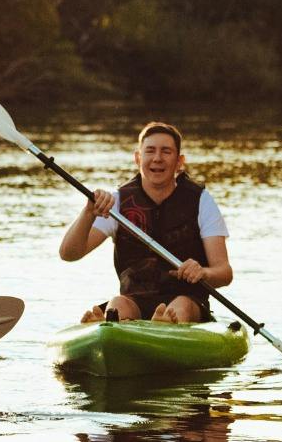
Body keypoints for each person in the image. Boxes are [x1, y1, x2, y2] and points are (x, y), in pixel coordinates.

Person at [58, 121, 232, 324]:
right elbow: (69, 254)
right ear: (138, 158)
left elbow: (224, 272)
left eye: (166, 151)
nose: (157, 158)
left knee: (181, 306)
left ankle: (165, 323)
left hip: (187, 301)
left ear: (179, 162)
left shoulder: (201, 201)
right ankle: (110, 321)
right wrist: (88, 212)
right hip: (134, 300)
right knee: (118, 304)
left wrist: (204, 272)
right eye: (150, 151)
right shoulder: (118, 202)